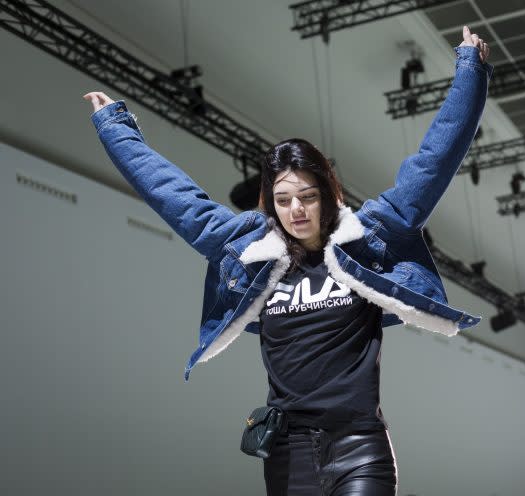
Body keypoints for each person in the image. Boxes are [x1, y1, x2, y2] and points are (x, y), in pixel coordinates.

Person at [84, 25, 491, 496]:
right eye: (282, 199)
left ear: (328, 195)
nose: (295, 209)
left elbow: (433, 162)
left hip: (360, 445)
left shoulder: (366, 238)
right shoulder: (254, 253)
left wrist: (470, 70)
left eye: (307, 196)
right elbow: (178, 199)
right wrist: (115, 128)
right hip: (287, 450)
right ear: (270, 203)